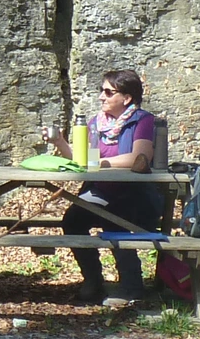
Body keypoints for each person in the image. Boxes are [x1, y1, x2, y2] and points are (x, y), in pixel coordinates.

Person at [42, 69, 159, 306]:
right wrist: (60, 142)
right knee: (73, 220)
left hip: (135, 193)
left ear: (126, 98)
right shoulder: (96, 123)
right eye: (101, 91)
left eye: (108, 92)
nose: (101, 97)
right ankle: (93, 280)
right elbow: (80, 159)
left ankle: (132, 286)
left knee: (115, 220)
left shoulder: (143, 121)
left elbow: (141, 158)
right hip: (100, 191)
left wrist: (101, 163)